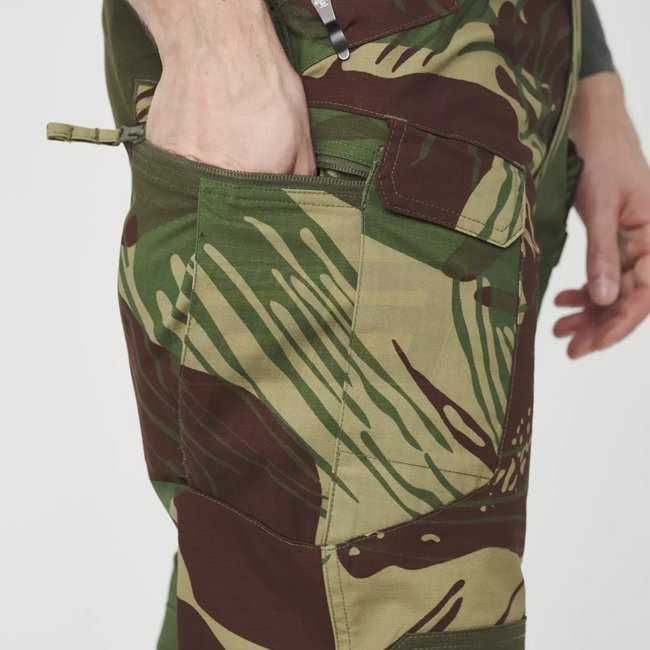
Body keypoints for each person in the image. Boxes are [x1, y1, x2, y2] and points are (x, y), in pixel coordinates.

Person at [47, 1, 650, 648]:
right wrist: (214, 46)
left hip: (501, 83)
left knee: (354, 608)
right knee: (338, 609)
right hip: (344, 80)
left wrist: (590, 85)